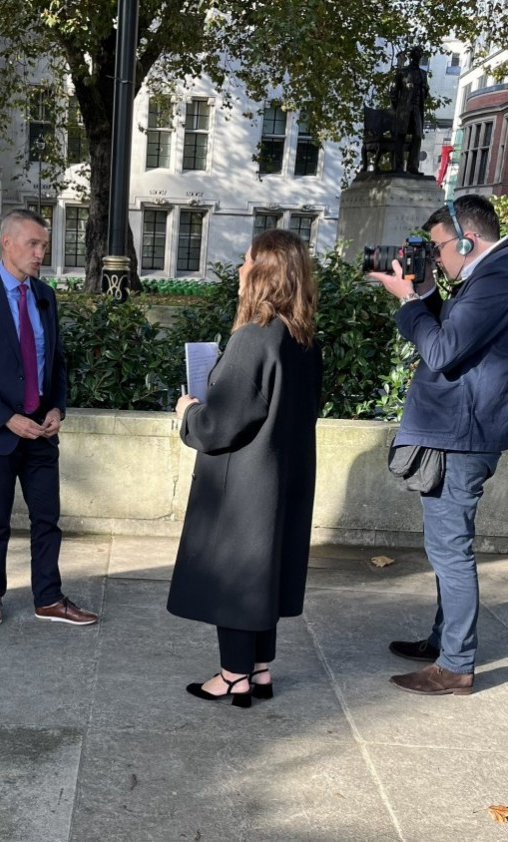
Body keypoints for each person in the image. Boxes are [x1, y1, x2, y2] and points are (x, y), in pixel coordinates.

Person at [368, 194, 508, 695]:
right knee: (447, 548)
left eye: (439, 247)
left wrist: (409, 300)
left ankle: (456, 665)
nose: (436, 258)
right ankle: (444, 642)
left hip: (462, 435)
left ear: (469, 239)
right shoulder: (492, 274)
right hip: (460, 429)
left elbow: (442, 350)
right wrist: (427, 297)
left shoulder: (501, 276)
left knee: (450, 550)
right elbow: (460, 335)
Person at [167, 229, 323, 708]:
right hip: (284, 476)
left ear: (264, 271)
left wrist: (187, 412)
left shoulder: (253, 337)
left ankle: (233, 674)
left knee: (237, 574)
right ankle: (258, 669)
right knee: (265, 571)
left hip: (246, 484)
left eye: (246, 261)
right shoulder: (303, 338)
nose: (239, 269)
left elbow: (218, 426)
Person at [0, 208, 98, 628]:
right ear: (7, 242)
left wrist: (57, 408)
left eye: (44, 246)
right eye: (33, 244)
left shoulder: (45, 295)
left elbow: (58, 362)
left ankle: (48, 597)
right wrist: (7, 418)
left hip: (41, 429)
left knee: (47, 517)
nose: (40, 254)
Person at [391, 46, 429, 175]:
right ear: (412, 56)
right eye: (416, 53)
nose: (418, 56)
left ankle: (413, 166)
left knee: (417, 136)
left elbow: (426, 92)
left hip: (417, 108)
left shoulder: (423, 74)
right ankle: (398, 166)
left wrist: (424, 89)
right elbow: (394, 92)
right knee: (400, 135)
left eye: (420, 54)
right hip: (404, 109)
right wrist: (398, 109)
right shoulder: (402, 72)